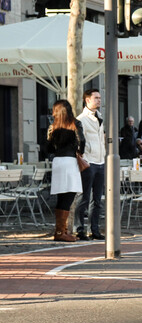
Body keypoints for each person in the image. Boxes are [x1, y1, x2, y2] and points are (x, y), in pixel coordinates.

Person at [45, 100, 84, 242]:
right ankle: (62, 232)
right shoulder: (75, 124)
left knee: (61, 196)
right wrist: (80, 152)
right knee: (69, 196)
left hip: (57, 161)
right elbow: (82, 141)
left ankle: (60, 231)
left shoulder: (52, 126)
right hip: (69, 161)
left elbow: (48, 148)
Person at [75, 89, 106, 241]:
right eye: (96, 98)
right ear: (87, 100)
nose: (99, 100)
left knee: (98, 200)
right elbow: (80, 141)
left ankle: (95, 229)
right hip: (89, 162)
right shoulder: (81, 119)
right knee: (84, 197)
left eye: (100, 98)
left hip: (100, 161)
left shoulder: (99, 117)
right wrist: (84, 158)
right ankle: (80, 229)